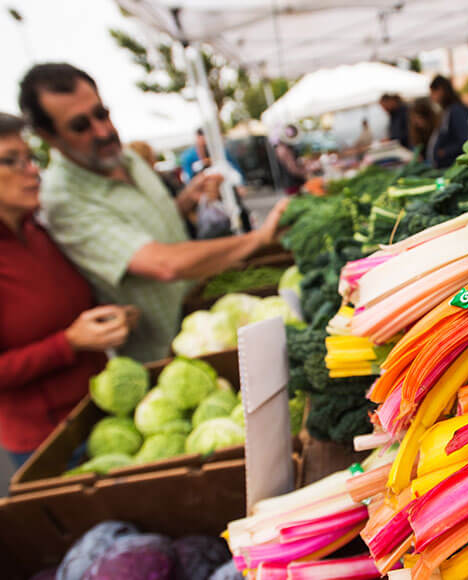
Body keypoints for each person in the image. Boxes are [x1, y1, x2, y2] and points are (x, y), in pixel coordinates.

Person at [19, 63, 288, 363]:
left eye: (102, 114)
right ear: (49, 136)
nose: (103, 131)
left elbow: (143, 226)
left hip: (206, 309)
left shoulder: (126, 158)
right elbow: (162, 265)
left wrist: (186, 200)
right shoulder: (63, 198)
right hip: (168, 353)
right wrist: (260, 238)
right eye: (81, 126)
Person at [0, 113, 136, 466]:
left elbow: (70, 304)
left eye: (30, 158)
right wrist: (70, 343)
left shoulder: (39, 232)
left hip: (102, 410)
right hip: (49, 444)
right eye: (10, 161)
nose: (32, 170)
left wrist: (110, 316)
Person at [429, 75, 468, 169]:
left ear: (441, 90)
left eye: (433, 92)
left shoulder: (456, 111)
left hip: (452, 166)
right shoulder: (447, 110)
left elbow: (463, 140)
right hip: (446, 166)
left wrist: (445, 152)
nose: (432, 97)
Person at [274, 124, 308, 195]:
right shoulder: (284, 150)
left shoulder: (281, 148)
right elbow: (292, 168)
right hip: (293, 182)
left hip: (291, 182)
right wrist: (305, 174)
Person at [409, 97, 439, 161]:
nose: (416, 122)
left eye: (419, 118)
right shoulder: (416, 130)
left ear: (427, 117)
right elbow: (416, 146)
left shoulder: (437, 130)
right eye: (414, 118)